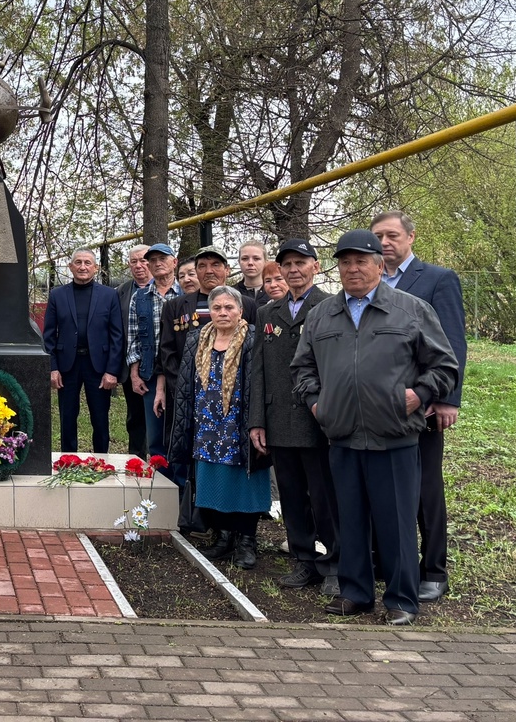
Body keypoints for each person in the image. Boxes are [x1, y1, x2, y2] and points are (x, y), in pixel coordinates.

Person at [293, 229, 458, 626]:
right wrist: (317, 404)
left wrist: (419, 395)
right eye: (345, 262)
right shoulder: (322, 315)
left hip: (394, 435)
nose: (353, 269)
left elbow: (444, 365)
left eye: (361, 261)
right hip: (342, 435)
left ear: (379, 266)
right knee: (349, 519)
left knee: (396, 521)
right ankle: (355, 593)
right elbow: (302, 368)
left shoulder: (410, 310)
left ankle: (401, 599)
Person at [371, 210, 467, 603]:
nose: (385, 243)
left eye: (392, 235)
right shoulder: (372, 282)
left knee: (426, 488)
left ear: (411, 237)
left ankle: (434, 569)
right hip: (376, 406)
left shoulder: (437, 280)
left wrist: (446, 399)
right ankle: (388, 562)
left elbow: (452, 343)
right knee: (382, 486)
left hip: (422, 404)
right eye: (378, 236)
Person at [247, 239, 339, 595]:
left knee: (325, 497)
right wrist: (257, 420)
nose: (293, 269)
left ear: (315, 266)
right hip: (278, 419)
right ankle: (304, 561)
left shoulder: (332, 306)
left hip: (318, 419)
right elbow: (258, 370)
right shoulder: (268, 313)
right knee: (291, 496)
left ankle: (335, 564)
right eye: (287, 264)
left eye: (301, 262)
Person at [169, 285, 267, 569]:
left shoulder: (253, 338)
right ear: (209, 311)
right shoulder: (196, 338)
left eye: (229, 307)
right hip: (206, 423)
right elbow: (186, 382)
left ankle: (246, 540)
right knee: (213, 480)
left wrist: (258, 421)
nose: (223, 312)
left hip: (241, 422)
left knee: (245, 481)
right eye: (217, 307)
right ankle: (224, 537)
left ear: (240, 311)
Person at [158, 246, 260, 477]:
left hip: (237, 403)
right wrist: (181, 388)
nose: (209, 271)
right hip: (190, 399)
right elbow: (167, 352)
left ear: (227, 269)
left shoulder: (248, 304)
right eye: (202, 266)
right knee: (192, 459)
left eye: (215, 265)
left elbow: (256, 351)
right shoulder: (176, 306)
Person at [42, 249, 124, 453]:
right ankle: (68, 460)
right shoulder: (57, 295)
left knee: (100, 417)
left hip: (98, 365)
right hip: (67, 365)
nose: (82, 267)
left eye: (87, 263)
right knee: (67, 417)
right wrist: (53, 367)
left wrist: (112, 371)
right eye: (78, 262)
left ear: (96, 268)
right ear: (70, 267)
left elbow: (117, 335)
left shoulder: (109, 295)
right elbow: (49, 335)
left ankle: (102, 460)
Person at [126, 243, 182, 460]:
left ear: (174, 262)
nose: (158, 263)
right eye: (153, 260)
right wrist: (134, 373)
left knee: (180, 430)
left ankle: (182, 478)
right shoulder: (139, 297)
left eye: (163, 259)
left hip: (180, 373)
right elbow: (134, 338)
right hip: (149, 373)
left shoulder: (186, 293)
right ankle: (160, 475)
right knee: (155, 434)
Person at [115, 244, 153, 458]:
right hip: (132, 365)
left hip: (161, 363)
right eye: (134, 261)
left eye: (143, 260)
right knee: (136, 415)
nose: (139, 265)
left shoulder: (167, 289)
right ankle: (136, 458)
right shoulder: (121, 292)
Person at [234, 240, 271, 307]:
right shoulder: (231, 293)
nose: (250, 263)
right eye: (245, 258)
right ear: (239, 262)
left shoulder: (275, 291)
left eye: (256, 258)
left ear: (265, 262)